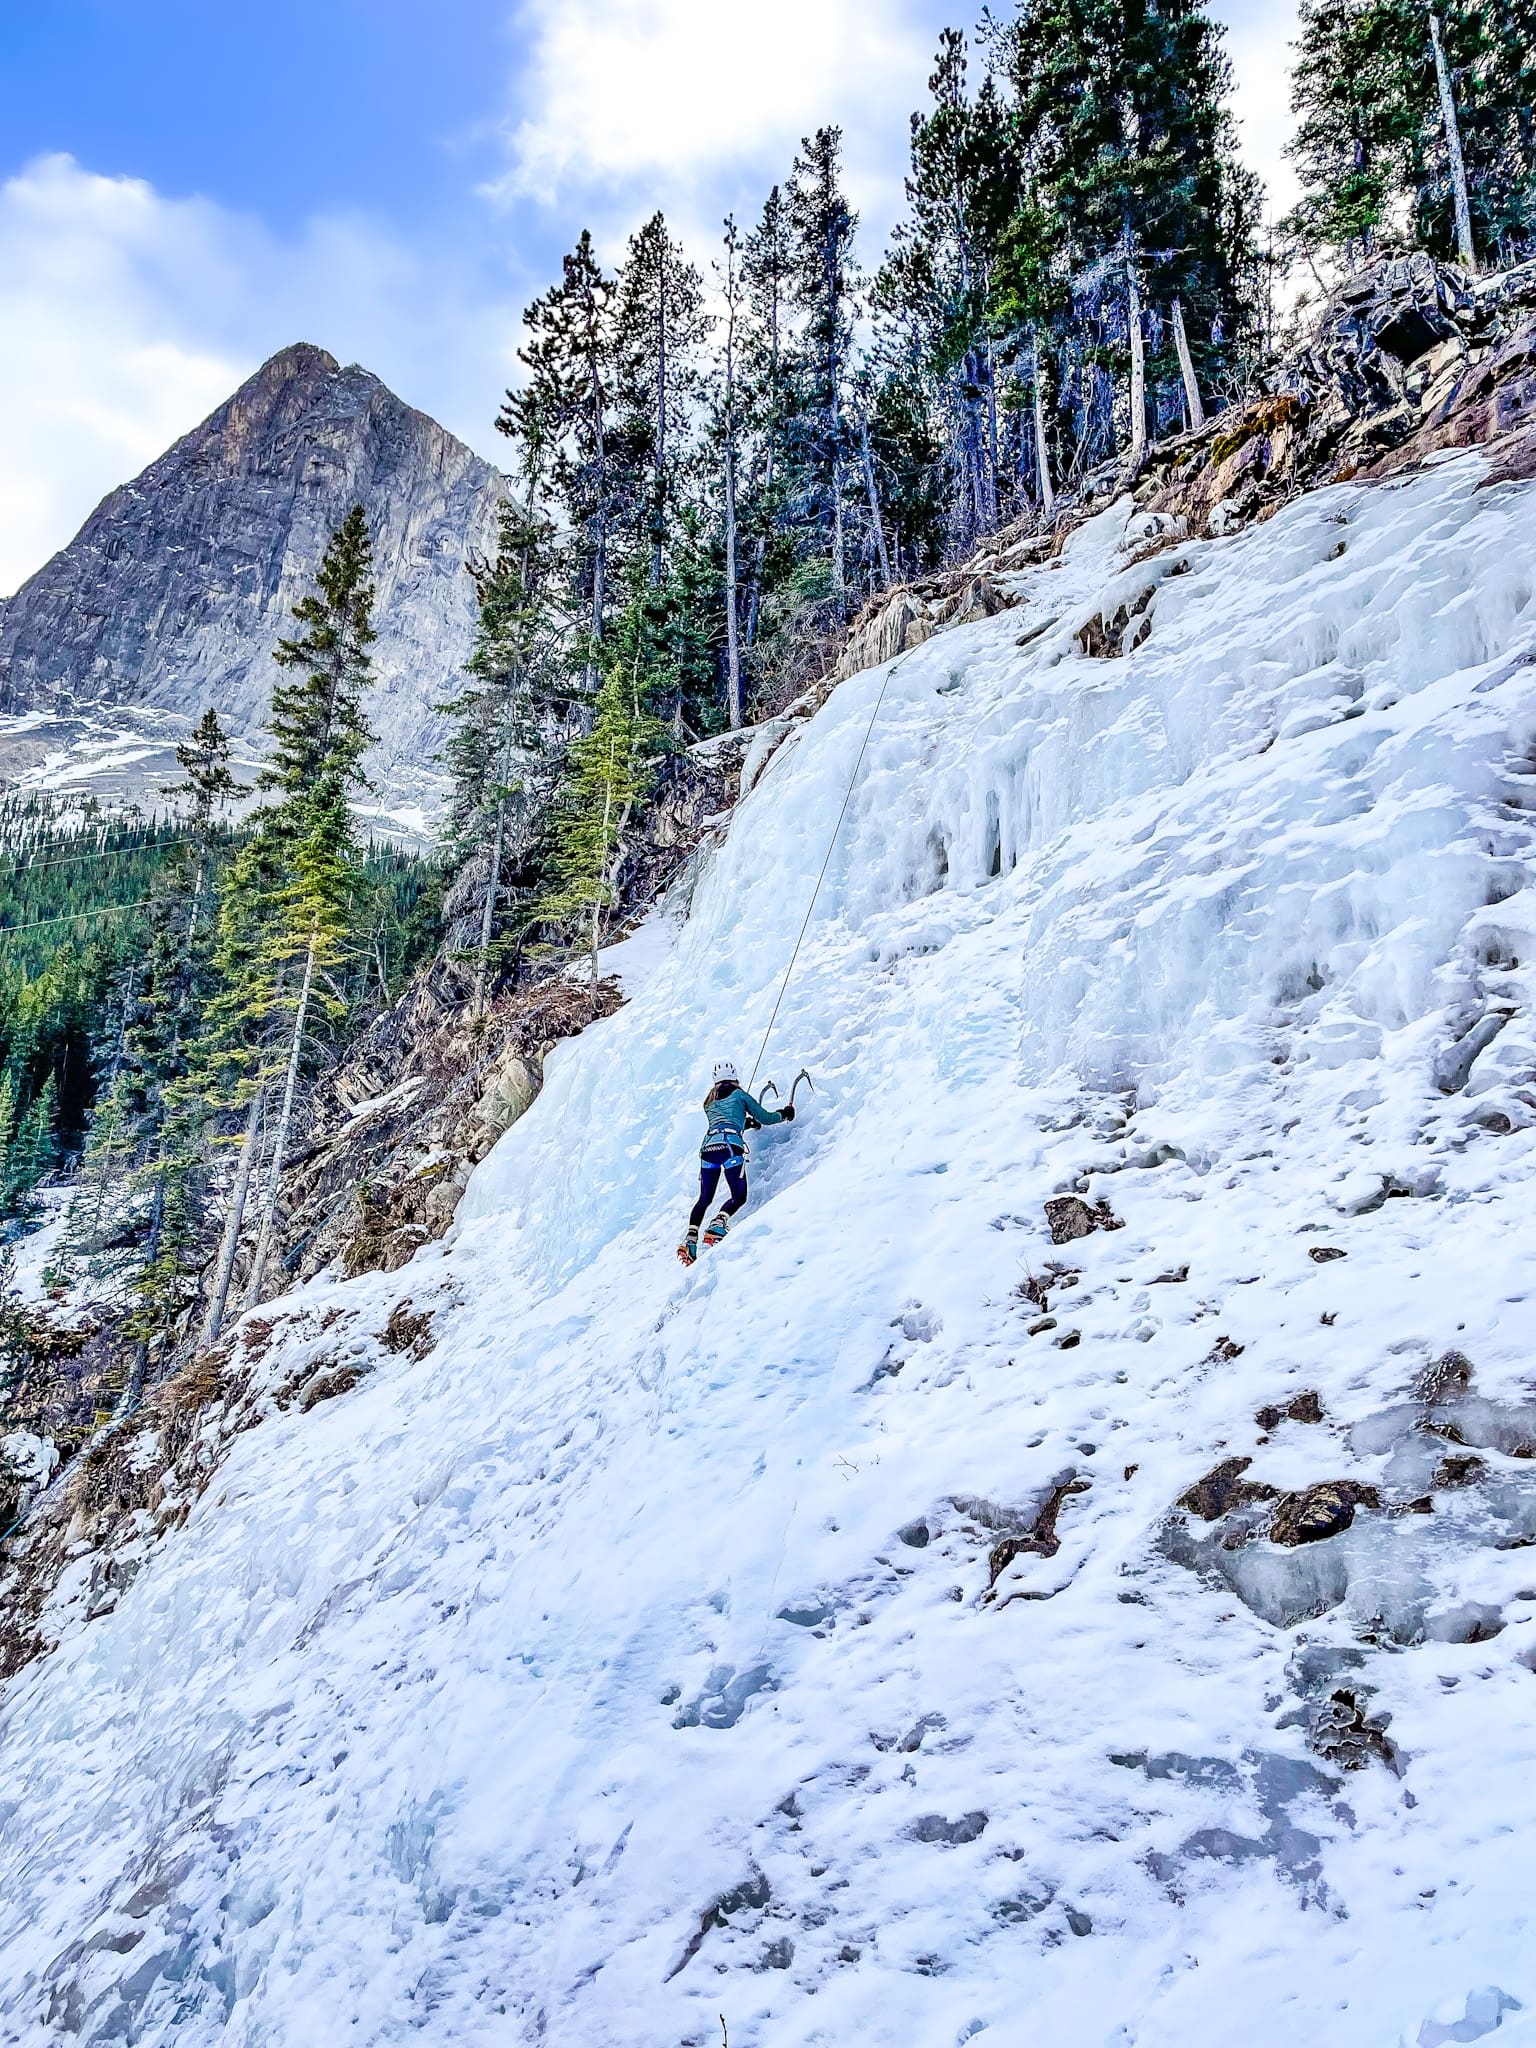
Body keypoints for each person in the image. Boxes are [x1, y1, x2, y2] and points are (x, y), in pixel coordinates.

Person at [678, 1058, 795, 1265]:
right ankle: (718, 1223)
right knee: (739, 1196)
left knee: (704, 1198)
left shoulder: (709, 1102)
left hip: (708, 1149)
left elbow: (725, 1119)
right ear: (734, 1076)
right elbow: (766, 1118)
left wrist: (745, 1124)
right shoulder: (739, 1094)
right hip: (730, 1147)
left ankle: (690, 1241)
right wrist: (784, 1114)